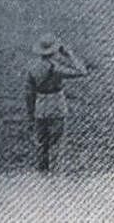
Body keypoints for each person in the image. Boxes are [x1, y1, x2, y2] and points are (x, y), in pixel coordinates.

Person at [24, 34, 89, 172]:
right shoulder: (55, 69)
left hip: (40, 108)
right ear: (54, 51)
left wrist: (31, 114)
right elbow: (82, 71)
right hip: (56, 107)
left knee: (41, 146)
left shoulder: (33, 68)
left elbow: (29, 94)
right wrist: (70, 54)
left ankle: (42, 178)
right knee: (57, 146)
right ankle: (55, 180)